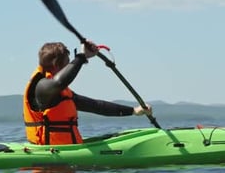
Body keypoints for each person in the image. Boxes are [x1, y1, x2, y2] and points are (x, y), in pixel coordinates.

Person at [23, 41, 152, 145]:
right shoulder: (42, 87)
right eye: (67, 64)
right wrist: (81, 56)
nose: (70, 67)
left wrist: (133, 111)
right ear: (57, 66)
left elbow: (95, 106)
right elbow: (60, 82)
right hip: (50, 156)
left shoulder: (60, 93)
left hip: (65, 150)